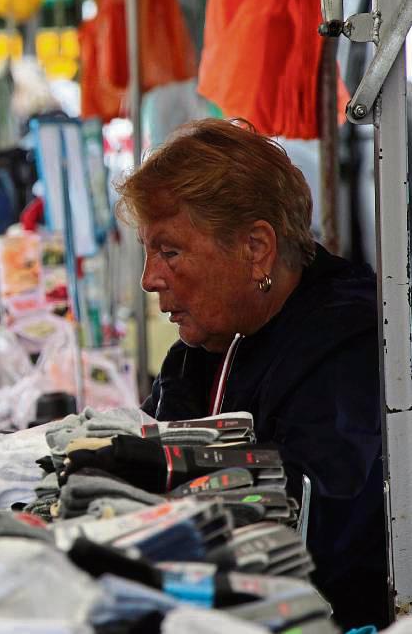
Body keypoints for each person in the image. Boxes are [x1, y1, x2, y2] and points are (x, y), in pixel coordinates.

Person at [117, 118, 386, 629]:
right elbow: (150, 455)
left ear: (256, 248)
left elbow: (314, 536)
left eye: (169, 251)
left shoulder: (351, 343)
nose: (150, 278)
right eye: (148, 251)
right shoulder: (208, 344)